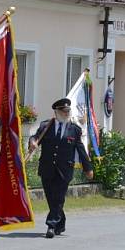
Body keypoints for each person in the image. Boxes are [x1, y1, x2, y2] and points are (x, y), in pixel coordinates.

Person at [28, 98, 94, 238]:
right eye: (63, 111)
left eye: (68, 111)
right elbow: (35, 137)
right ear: (56, 112)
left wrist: (87, 168)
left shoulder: (74, 130)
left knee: (58, 197)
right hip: (47, 168)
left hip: (65, 169)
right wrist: (32, 142)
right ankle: (61, 222)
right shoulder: (46, 126)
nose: (66, 113)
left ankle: (51, 225)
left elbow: (80, 149)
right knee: (51, 198)